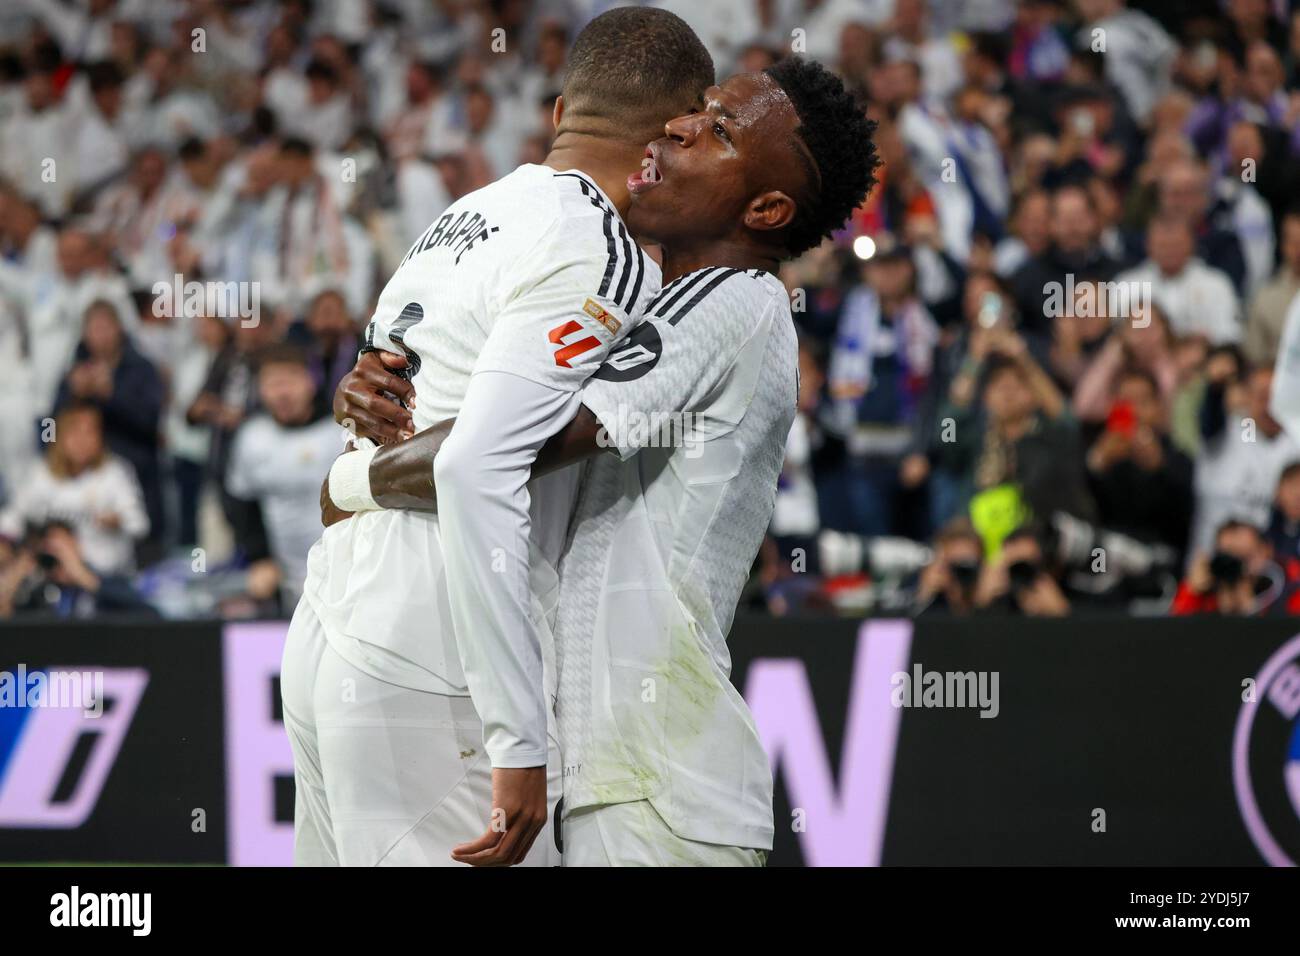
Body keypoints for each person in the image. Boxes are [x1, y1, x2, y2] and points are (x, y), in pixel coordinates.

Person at [326, 56, 878, 865]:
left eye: (717, 129)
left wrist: (348, 478)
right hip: (617, 774)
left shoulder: (734, 298)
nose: (679, 126)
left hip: (660, 780)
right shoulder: (656, 299)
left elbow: (506, 446)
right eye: (698, 111)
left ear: (765, 207)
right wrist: (373, 383)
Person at [280, 7, 716, 868]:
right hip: (439, 644)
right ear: (676, 133)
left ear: (559, 114)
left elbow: (375, 393)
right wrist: (518, 736)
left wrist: (350, 461)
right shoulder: (607, 252)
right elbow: (483, 468)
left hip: (332, 619)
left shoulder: (458, 217)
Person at [225, 346, 338, 610]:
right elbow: (243, 504)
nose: (282, 392)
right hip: (281, 580)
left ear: (311, 381)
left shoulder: (340, 431)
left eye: (290, 380)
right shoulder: (251, 437)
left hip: (342, 572)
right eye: (273, 383)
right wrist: (259, 558)